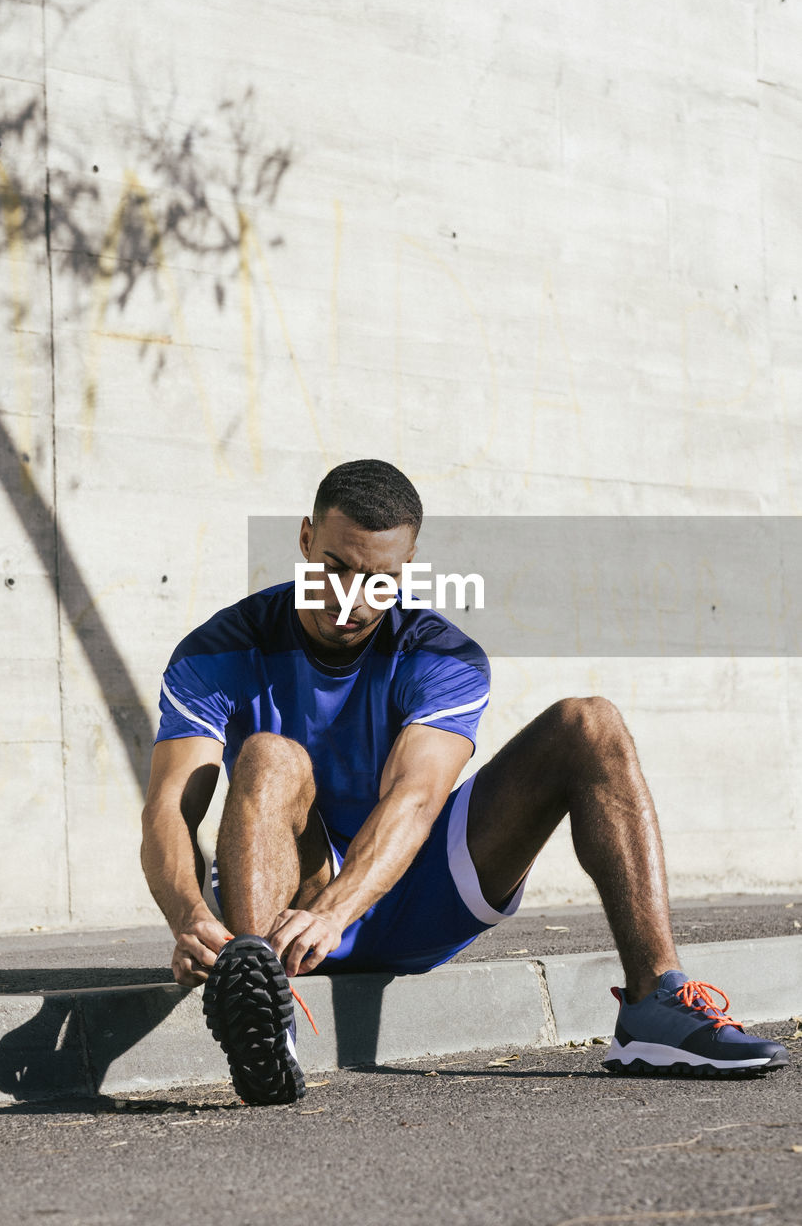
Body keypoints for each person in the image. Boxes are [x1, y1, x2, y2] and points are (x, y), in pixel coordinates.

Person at [140, 459, 788, 1104]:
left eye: (380, 580)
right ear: (305, 538)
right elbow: (170, 806)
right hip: (283, 906)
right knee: (268, 756)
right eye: (335, 567)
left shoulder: (437, 654)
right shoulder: (218, 650)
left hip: (411, 887)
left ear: (410, 568)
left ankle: (656, 1004)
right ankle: (261, 1009)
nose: (351, 599)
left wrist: (340, 912)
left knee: (590, 724)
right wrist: (191, 919)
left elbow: (415, 797)